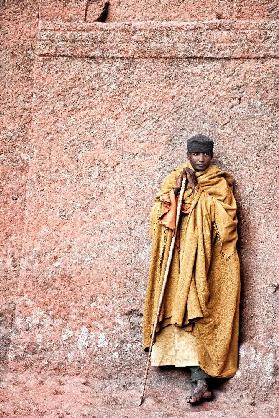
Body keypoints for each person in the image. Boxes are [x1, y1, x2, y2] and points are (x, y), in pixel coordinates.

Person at [143, 134, 240, 405]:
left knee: (202, 313)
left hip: (206, 262)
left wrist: (197, 193)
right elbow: (157, 216)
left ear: (211, 156)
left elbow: (227, 223)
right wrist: (175, 194)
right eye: (196, 154)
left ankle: (203, 381)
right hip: (179, 262)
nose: (200, 159)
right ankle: (197, 380)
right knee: (179, 312)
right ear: (188, 155)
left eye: (205, 155)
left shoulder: (219, 183)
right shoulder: (175, 177)